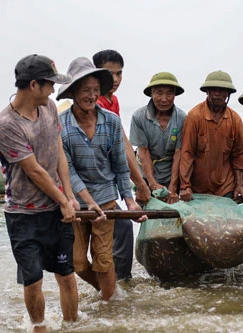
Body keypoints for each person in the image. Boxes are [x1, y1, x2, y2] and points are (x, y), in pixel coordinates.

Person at [0, 54, 80, 332]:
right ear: (33, 85)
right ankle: (39, 327)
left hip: (56, 210)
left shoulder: (50, 108)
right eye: (50, 84)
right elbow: (35, 171)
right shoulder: (6, 124)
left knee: (66, 274)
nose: (54, 89)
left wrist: (69, 195)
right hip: (23, 215)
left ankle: (72, 326)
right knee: (33, 281)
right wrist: (63, 200)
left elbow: (58, 154)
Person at [57, 57, 147, 300]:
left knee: (103, 260)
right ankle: (111, 293)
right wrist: (84, 198)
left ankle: (110, 307)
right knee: (76, 261)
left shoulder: (112, 121)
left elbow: (120, 164)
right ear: (74, 91)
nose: (91, 95)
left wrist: (129, 201)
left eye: (96, 90)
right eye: (86, 90)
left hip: (106, 200)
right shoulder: (61, 125)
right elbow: (67, 170)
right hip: (76, 202)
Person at [93, 49, 151, 281]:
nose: (115, 80)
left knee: (116, 230)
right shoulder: (94, 101)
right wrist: (139, 182)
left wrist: (138, 181)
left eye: (119, 74)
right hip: (92, 178)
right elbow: (120, 145)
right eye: (110, 74)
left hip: (107, 177)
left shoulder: (112, 101)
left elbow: (122, 140)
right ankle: (117, 283)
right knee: (121, 228)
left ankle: (113, 283)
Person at [179, 70, 243, 203]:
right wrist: (185, 185)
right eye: (213, 90)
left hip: (226, 187)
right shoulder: (195, 116)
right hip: (198, 189)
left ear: (228, 93)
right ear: (207, 92)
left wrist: (240, 185)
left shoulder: (235, 119)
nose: (217, 94)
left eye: (222, 90)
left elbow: (238, 156)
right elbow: (187, 153)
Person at [129, 72, 186, 204]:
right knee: (146, 214)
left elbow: (179, 153)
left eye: (169, 93)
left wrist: (173, 187)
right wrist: (152, 184)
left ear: (175, 95)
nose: (164, 99)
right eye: (159, 93)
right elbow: (143, 151)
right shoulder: (139, 117)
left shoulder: (182, 118)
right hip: (146, 176)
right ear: (151, 94)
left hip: (172, 175)